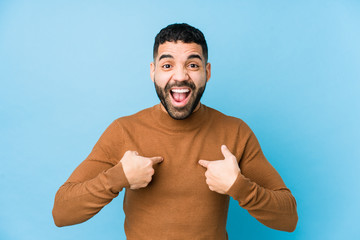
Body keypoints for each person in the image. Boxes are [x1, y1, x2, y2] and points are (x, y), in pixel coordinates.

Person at [52, 23, 298, 239]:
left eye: (192, 64)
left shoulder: (235, 132)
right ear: (153, 72)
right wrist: (119, 177)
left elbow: (288, 219)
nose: (180, 76)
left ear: (207, 72)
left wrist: (238, 185)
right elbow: (62, 213)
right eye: (167, 65)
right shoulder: (123, 131)